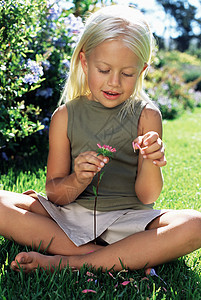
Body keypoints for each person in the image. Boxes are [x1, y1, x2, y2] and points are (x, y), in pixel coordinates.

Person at [1, 5, 201, 273]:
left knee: (195, 225)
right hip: (67, 218)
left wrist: (153, 160)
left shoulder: (146, 115)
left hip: (129, 221)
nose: (114, 83)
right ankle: (117, 257)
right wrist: (78, 179)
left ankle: (70, 263)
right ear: (85, 62)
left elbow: (148, 196)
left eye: (127, 74)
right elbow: (56, 195)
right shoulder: (66, 116)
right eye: (104, 70)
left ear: (142, 71)